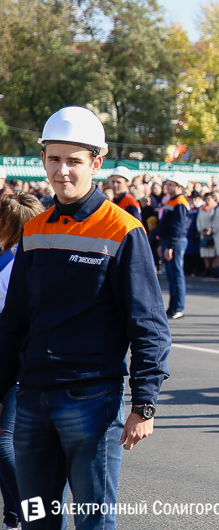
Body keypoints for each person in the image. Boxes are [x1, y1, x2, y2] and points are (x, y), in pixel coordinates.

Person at [0, 106, 170, 530]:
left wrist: (144, 403)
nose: (62, 171)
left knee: (93, 522)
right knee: (37, 521)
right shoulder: (34, 230)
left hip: (92, 404)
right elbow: (14, 322)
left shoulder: (123, 230)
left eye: (74, 160)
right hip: (32, 405)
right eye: (54, 159)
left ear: (96, 163)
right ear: (43, 160)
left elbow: (148, 325)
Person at [0, 192, 43, 530]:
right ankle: (15, 514)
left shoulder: (18, 262)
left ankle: (33, 513)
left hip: (18, 360)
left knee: (4, 441)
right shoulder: (8, 257)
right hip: (12, 357)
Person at [158, 172, 190, 320]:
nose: (167, 186)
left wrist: (170, 245)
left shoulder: (180, 202)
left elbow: (178, 227)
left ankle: (178, 308)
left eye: (170, 184)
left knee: (177, 275)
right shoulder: (171, 201)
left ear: (179, 186)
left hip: (175, 242)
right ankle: (172, 308)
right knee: (171, 276)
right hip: (168, 242)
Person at [197, 191, 219, 276]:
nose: (207, 200)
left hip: (211, 233)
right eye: (206, 199)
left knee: (213, 251)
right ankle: (207, 268)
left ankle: (214, 269)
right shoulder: (201, 209)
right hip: (203, 232)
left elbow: (215, 220)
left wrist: (210, 229)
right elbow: (198, 220)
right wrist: (200, 230)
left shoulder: (214, 209)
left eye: (209, 198)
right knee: (205, 252)